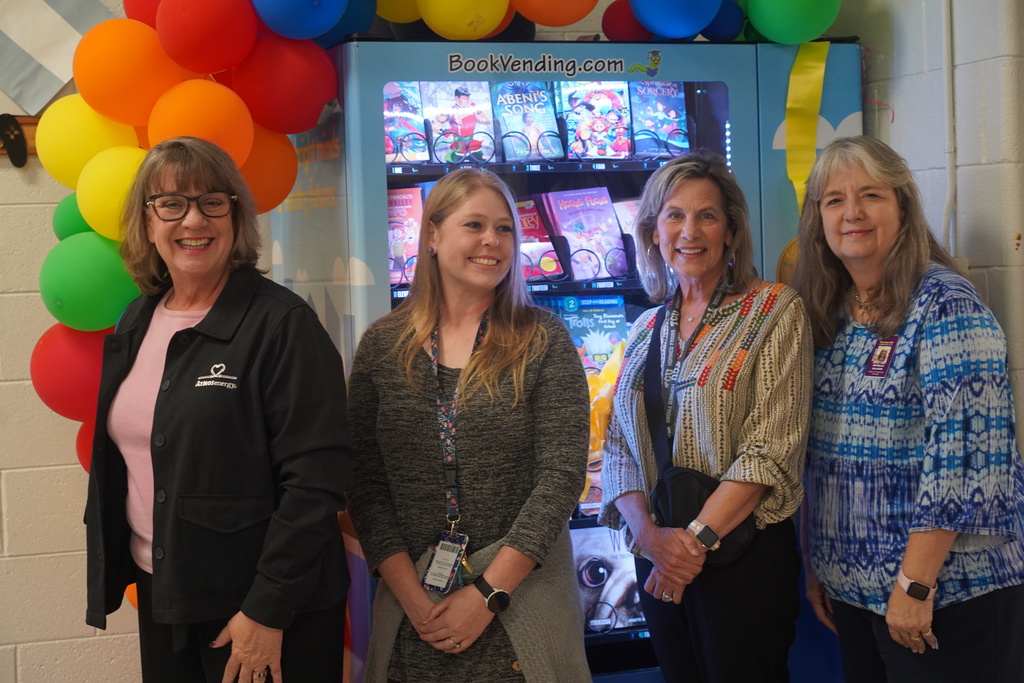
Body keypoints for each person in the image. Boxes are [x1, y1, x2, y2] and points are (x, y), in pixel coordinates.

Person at [84, 136, 352, 683]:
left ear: (235, 214)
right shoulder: (137, 319)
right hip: (166, 589)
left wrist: (266, 609)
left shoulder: (281, 324)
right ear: (147, 220)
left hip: (263, 605)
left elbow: (317, 480)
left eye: (212, 201)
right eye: (171, 204)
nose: (192, 220)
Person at [791, 135, 1024, 682]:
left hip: (946, 595)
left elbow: (964, 461)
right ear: (817, 219)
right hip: (856, 593)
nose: (852, 213)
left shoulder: (946, 305)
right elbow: (819, 456)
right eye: (834, 200)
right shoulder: (829, 313)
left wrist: (913, 585)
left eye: (870, 195)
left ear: (903, 206)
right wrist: (822, 564)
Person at [346, 168, 591, 682]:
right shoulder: (382, 347)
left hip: (521, 602)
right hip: (415, 609)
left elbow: (561, 477)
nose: (491, 241)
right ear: (432, 235)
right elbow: (365, 486)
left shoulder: (543, 340)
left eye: (504, 229)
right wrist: (412, 598)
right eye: (474, 225)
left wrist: (486, 594)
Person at [599, 152, 812, 682]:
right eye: (674, 215)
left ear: (732, 231)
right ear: (653, 232)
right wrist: (649, 539)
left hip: (742, 557)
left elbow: (770, 450)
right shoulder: (647, 326)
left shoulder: (775, 309)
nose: (689, 231)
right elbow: (620, 446)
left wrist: (691, 544)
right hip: (659, 560)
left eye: (707, 216)